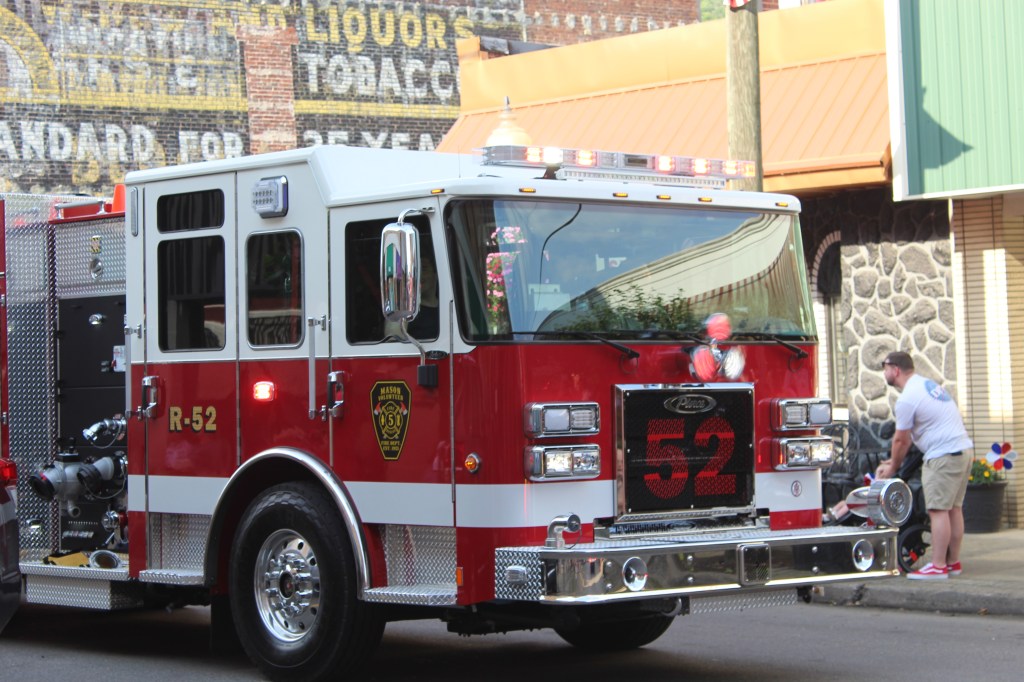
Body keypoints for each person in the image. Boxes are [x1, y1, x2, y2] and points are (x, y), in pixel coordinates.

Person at [874, 351, 973, 580]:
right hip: (962, 450)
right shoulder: (926, 385)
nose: (884, 373)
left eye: (885, 368)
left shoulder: (907, 398)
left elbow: (901, 440)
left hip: (943, 456)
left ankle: (938, 566)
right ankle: (952, 562)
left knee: (938, 510)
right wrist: (893, 461)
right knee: (953, 509)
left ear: (895, 370)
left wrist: (892, 468)